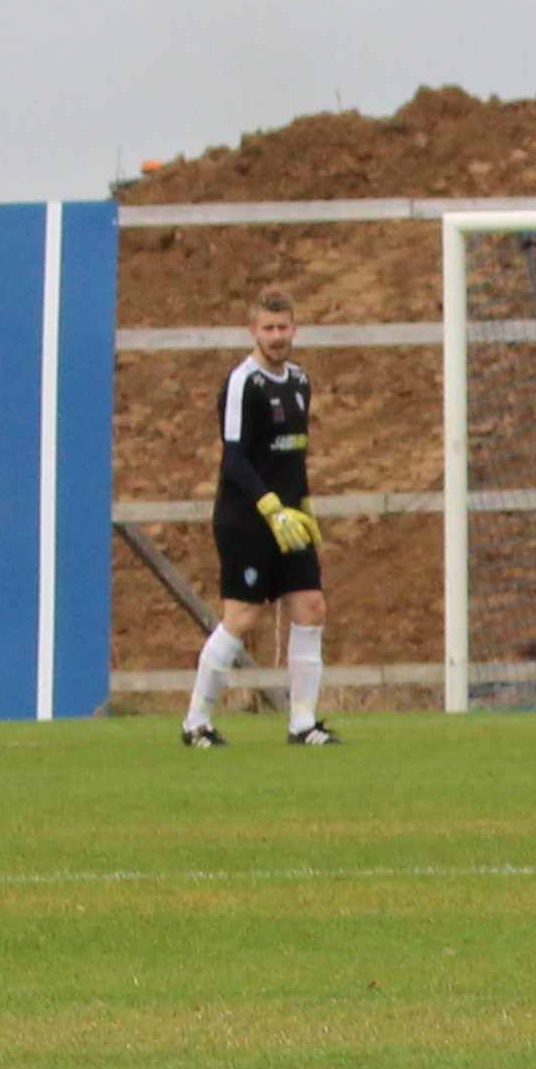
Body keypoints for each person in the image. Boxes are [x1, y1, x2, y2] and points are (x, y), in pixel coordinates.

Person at [181, 289, 339, 746]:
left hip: (289, 519)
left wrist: (303, 508)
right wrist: (270, 507)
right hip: (247, 518)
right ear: (253, 331)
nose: (276, 336)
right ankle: (196, 723)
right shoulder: (242, 383)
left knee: (311, 607)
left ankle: (303, 723)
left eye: (282, 327)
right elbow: (235, 459)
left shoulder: (300, 382)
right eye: (267, 328)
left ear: (294, 329)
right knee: (242, 616)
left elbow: (294, 457)